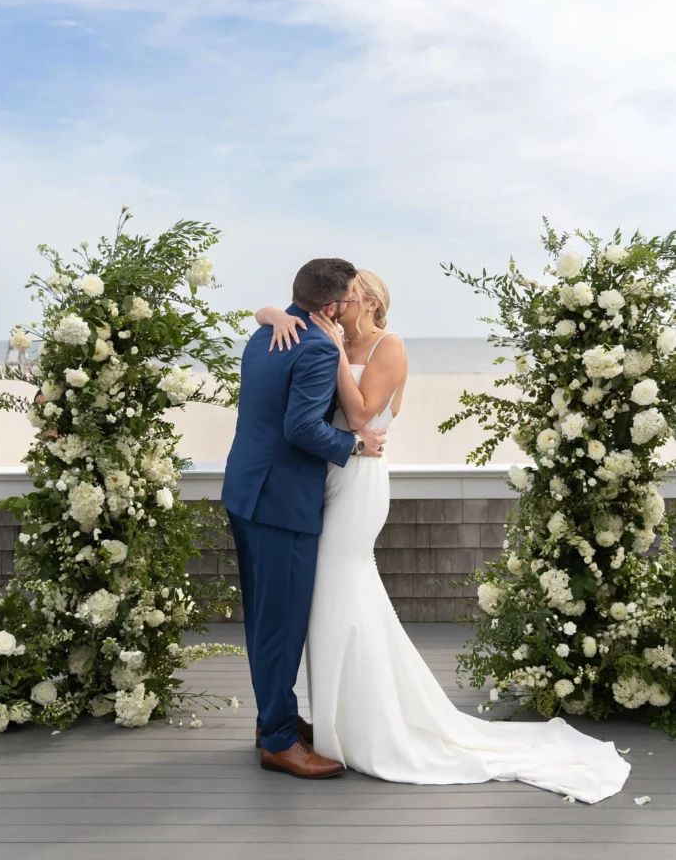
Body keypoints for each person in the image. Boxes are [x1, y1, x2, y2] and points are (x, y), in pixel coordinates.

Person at [255, 268, 631, 804]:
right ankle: (329, 720)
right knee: (327, 600)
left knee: (343, 586)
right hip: (329, 477)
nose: (343, 302)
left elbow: (361, 413)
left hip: (361, 479)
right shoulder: (326, 335)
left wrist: (337, 350)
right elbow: (279, 322)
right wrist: (272, 314)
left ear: (368, 301)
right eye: (343, 295)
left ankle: (368, 727)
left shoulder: (388, 346)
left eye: (354, 295)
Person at [221, 258, 387, 779]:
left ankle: (276, 719)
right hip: (281, 502)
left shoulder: (266, 333)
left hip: (246, 490)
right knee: (282, 625)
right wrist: (357, 442)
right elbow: (301, 429)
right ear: (333, 307)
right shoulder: (316, 345)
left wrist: (269, 312)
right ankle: (278, 741)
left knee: (263, 619)